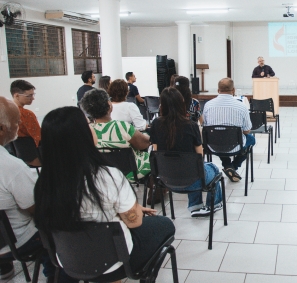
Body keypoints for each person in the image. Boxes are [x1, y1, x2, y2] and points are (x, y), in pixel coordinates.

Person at [34, 106, 175, 283]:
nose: (93, 127)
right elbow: (135, 221)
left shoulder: (43, 183)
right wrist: (134, 211)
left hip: (68, 262)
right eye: (89, 124)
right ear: (82, 136)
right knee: (164, 224)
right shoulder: (107, 176)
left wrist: (133, 208)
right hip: (115, 262)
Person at [0, 97, 72, 283]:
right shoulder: (10, 166)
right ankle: (57, 276)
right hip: (16, 242)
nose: (19, 126)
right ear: (1, 129)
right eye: (17, 122)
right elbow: (37, 208)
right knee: (61, 231)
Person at [150, 88, 222, 217]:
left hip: (166, 179)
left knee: (189, 166)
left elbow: (156, 151)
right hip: (192, 180)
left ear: (162, 104)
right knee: (211, 168)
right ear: (181, 104)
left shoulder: (155, 124)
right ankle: (213, 205)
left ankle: (196, 206)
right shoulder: (191, 125)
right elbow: (199, 156)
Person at [80, 89, 151, 182]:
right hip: (129, 173)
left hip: (100, 174)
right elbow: (143, 144)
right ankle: (154, 193)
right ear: (109, 105)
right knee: (154, 158)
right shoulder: (121, 126)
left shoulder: (87, 131)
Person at [203, 78, 255, 182]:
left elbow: (205, 125)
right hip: (235, 146)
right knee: (251, 140)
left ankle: (227, 164)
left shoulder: (208, 105)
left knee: (221, 139)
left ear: (218, 90)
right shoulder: (241, 106)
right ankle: (233, 166)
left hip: (212, 146)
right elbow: (247, 130)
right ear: (234, 90)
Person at [10, 80, 40, 150]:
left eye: (33, 94)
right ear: (16, 95)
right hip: (29, 152)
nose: (33, 98)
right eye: (29, 96)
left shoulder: (5, 111)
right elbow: (38, 137)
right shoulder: (27, 114)